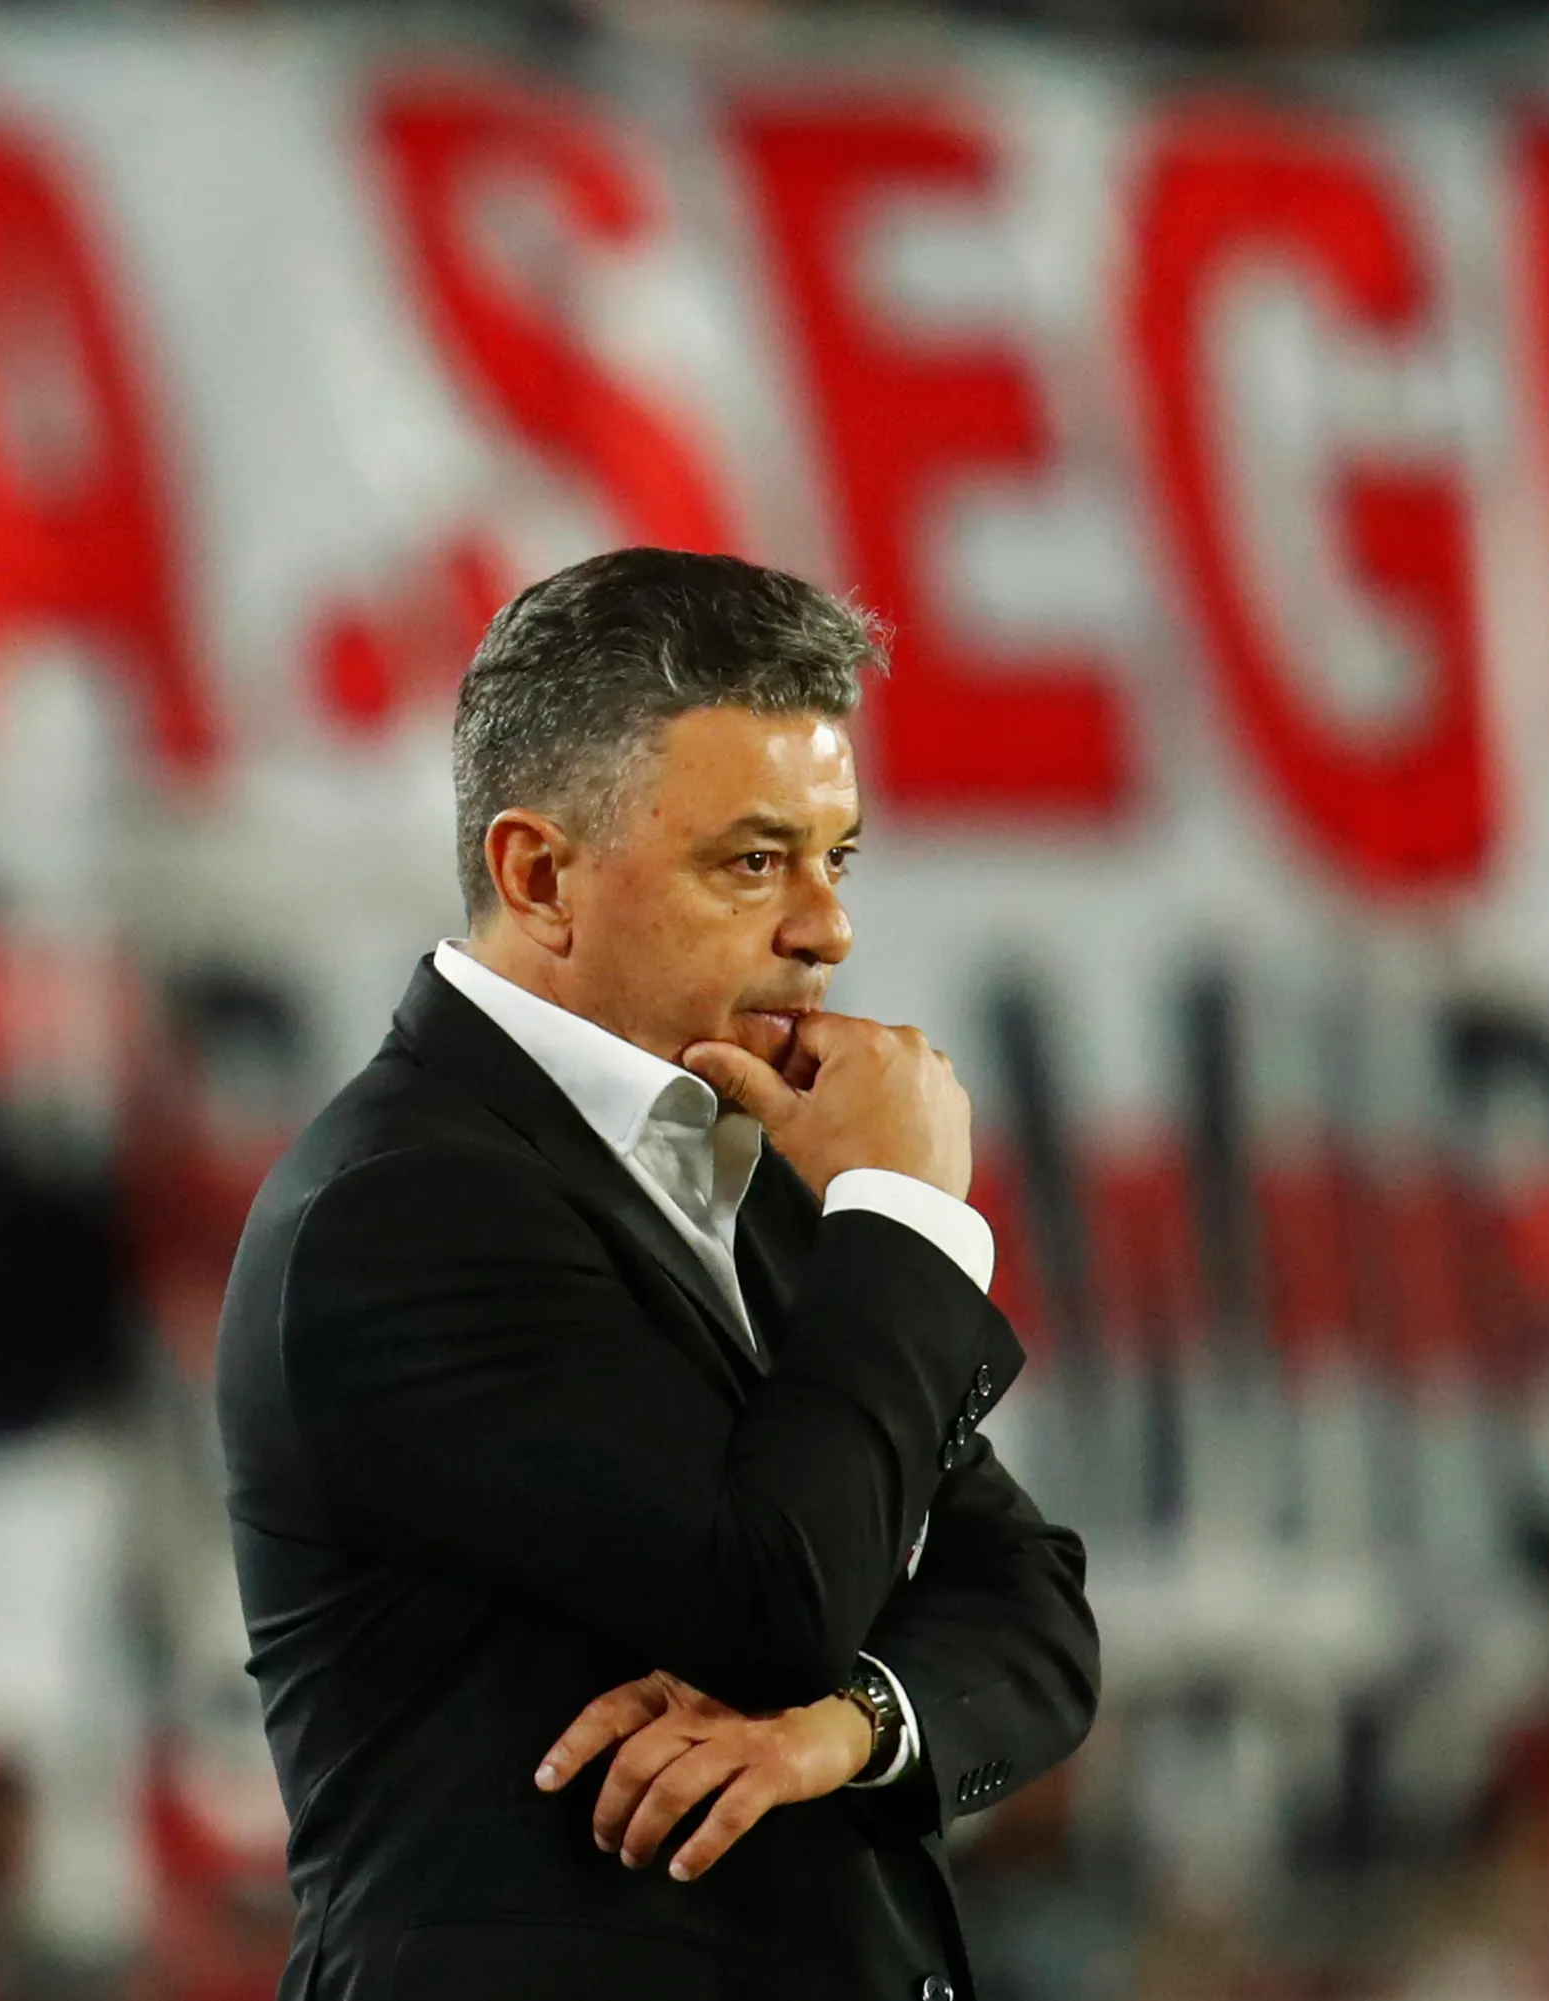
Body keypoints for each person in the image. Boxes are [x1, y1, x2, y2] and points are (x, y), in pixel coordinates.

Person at [217, 548, 1101, 2001]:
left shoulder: (747, 1163)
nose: (827, 927)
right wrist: (901, 1210)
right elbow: (774, 1596)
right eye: (754, 861)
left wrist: (840, 1731)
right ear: (540, 875)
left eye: (837, 857)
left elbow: (1033, 1608)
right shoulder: (405, 1209)